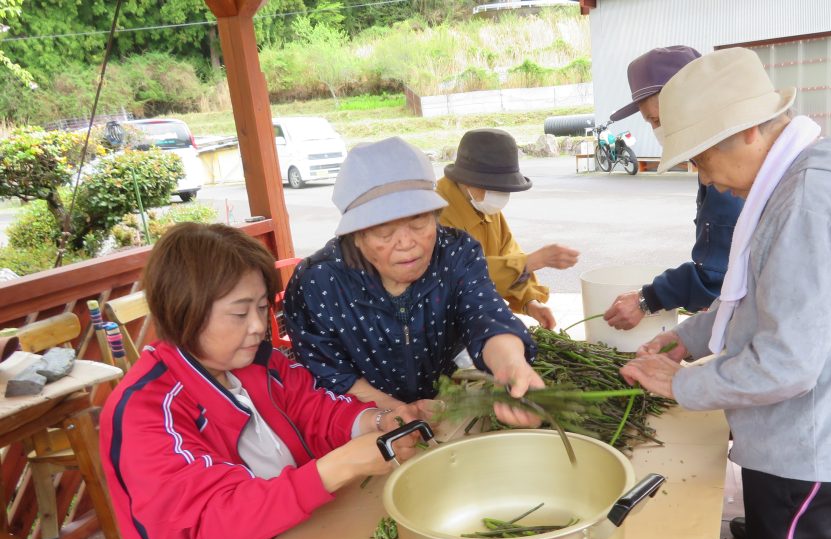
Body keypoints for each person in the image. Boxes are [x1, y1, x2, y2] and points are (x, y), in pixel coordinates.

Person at [620, 48, 831, 539]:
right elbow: (762, 298)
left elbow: (785, 364)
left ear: (749, 131)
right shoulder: (801, 176)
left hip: (814, 450)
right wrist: (689, 337)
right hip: (808, 435)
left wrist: (680, 383)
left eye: (702, 160)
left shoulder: (810, 200)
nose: (706, 178)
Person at [98, 223, 425, 539]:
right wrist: (339, 466)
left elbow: (313, 409)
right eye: (240, 313)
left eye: (260, 307)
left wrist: (377, 421)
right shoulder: (145, 410)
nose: (258, 326)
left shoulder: (261, 364)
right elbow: (216, 517)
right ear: (185, 311)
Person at [283, 136, 542, 426]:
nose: (406, 243)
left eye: (418, 221)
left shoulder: (456, 252)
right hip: (365, 418)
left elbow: (486, 316)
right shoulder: (318, 283)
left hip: (441, 397)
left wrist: (510, 366)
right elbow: (330, 372)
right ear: (355, 235)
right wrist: (397, 411)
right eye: (384, 230)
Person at [602, 45, 745, 330]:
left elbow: (718, 276)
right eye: (650, 122)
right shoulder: (710, 157)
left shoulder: (729, 165)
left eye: (658, 120)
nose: (656, 131)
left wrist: (647, 299)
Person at [437, 128, 579, 330]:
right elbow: (459, 273)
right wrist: (532, 261)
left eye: (504, 188)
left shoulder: (483, 206)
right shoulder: (436, 212)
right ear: (467, 179)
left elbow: (509, 254)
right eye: (494, 187)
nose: (500, 195)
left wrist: (530, 302)